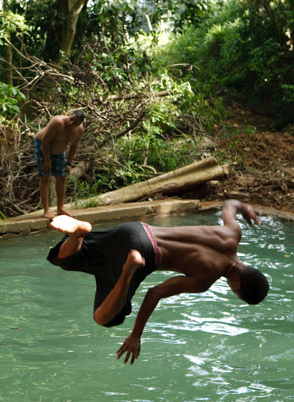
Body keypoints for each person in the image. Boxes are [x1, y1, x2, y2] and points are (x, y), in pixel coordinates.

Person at [47, 200, 269, 365]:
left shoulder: (233, 232)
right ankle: (128, 269)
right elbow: (155, 293)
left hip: (136, 229)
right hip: (145, 252)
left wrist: (245, 207)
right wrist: (136, 335)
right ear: (238, 286)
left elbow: (230, 204)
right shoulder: (205, 279)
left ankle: (78, 234)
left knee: (67, 259)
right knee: (105, 317)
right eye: (236, 294)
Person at [34, 110, 85, 218]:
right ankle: (46, 210)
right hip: (42, 147)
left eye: (75, 123)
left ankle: (60, 208)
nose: (71, 123)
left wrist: (69, 163)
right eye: (71, 119)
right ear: (69, 115)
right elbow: (45, 141)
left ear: (79, 124)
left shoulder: (79, 130)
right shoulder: (57, 122)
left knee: (62, 178)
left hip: (60, 152)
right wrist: (47, 160)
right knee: (45, 177)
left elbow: (73, 147)